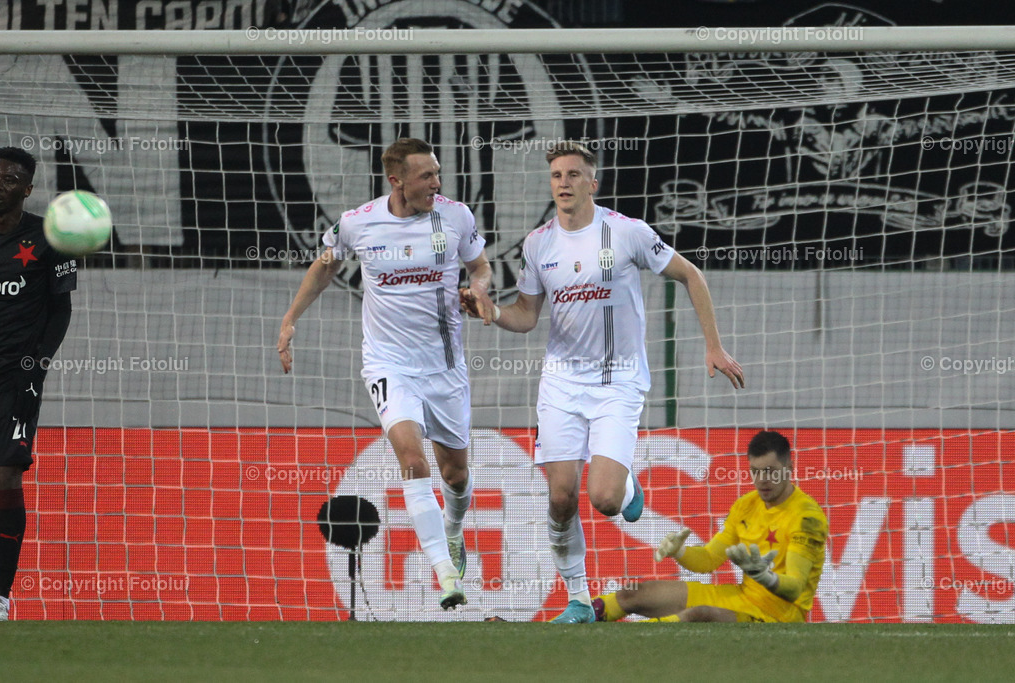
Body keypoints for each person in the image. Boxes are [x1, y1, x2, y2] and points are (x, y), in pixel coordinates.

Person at [460, 141, 744, 623]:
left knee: (605, 499)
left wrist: (713, 346)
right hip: (562, 384)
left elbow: (691, 275)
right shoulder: (538, 244)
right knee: (560, 496)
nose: (564, 183)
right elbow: (527, 316)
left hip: (618, 382)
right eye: (556, 175)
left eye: (573, 174)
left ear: (593, 182)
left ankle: (628, 489)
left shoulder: (627, 233)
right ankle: (577, 600)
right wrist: (490, 312)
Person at [278, 138, 494, 610]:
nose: (436, 184)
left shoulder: (455, 216)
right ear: (396, 181)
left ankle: (453, 532)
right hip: (388, 364)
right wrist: (291, 318)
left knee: (455, 475)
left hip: (445, 367)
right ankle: (444, 573)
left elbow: (481, 266)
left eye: (437, 173)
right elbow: (324, 266)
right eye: (426, 177)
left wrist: (477, 290)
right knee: (412, 460)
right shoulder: (359, 223)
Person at [593, 430, 828, 623]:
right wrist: (680, 552)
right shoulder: (746, 506)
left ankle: (635, 648)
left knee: (699, 616)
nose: (763, 480)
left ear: (789, 468)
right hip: (740, 597)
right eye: (756, 472)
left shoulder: (807, 517)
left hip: (778, 617)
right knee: (633, 595)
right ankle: (577, 621)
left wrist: (766, 577)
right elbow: (708, 560)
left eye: (771, 471)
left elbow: (796, 588)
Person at [0, 147, 77, 621]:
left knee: (7, 479)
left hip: (16, 378)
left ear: (26, 189)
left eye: (9, 180)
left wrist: (36, 367)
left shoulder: (49, 239)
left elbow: (60, 311)